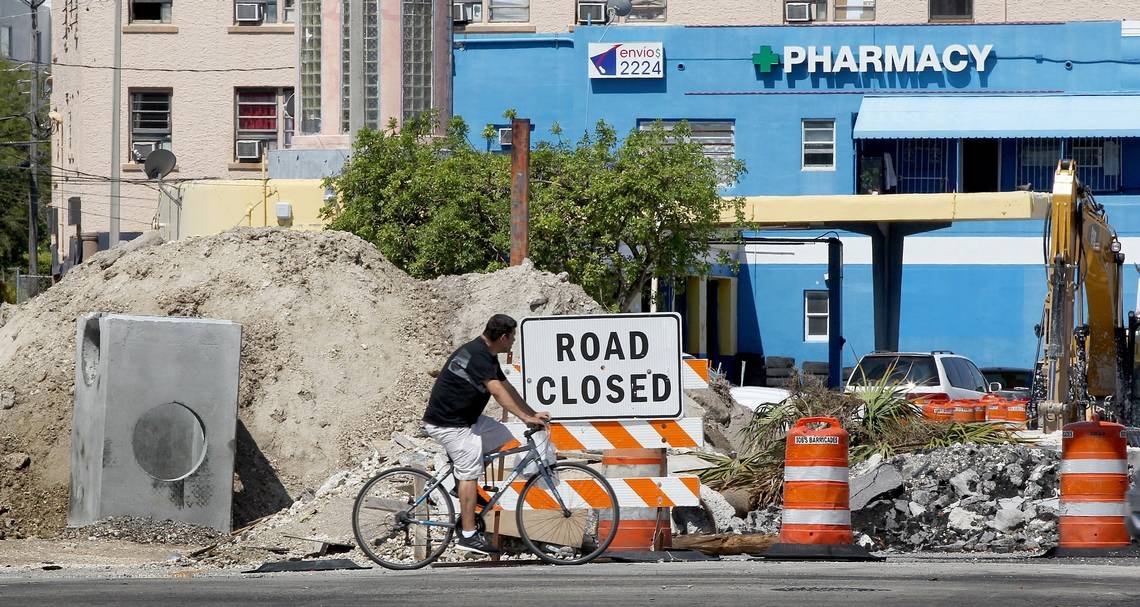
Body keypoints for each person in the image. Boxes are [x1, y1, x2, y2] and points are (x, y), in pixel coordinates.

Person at [422, 313, 550, 555]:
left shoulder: (486, 354)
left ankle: (461, 485)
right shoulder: (478, 356)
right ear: (503, 337)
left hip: (467, 420)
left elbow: (507, 387)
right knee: (470, 470)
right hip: (449, 425)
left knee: (503, 437)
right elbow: (498, 393)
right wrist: (525, 418)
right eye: (512, 337)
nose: (513, 342)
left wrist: (532, 413)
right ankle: (468, 534)